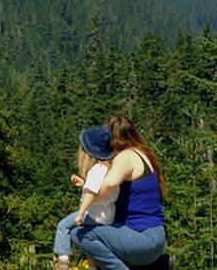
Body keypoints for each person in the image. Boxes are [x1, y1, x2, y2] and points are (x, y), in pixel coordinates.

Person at [72, 115, 167, 270]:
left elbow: (110, 184)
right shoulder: (140, 153)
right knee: (94, 242)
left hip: (142, 237)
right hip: (151, 236)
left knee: (81, 235)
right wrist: (85, 184)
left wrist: (89, 190)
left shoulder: (125, 157)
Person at [54, 126, 118, 270]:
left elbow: (91, 194)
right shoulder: (110, 170)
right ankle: (91, 265)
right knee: (86, 238)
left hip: (94, 215)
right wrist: (84, 184)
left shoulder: (96, 170)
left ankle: (63, 262)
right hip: (108, 215)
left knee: (63, 226)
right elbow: (100, 191)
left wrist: (81, 213)